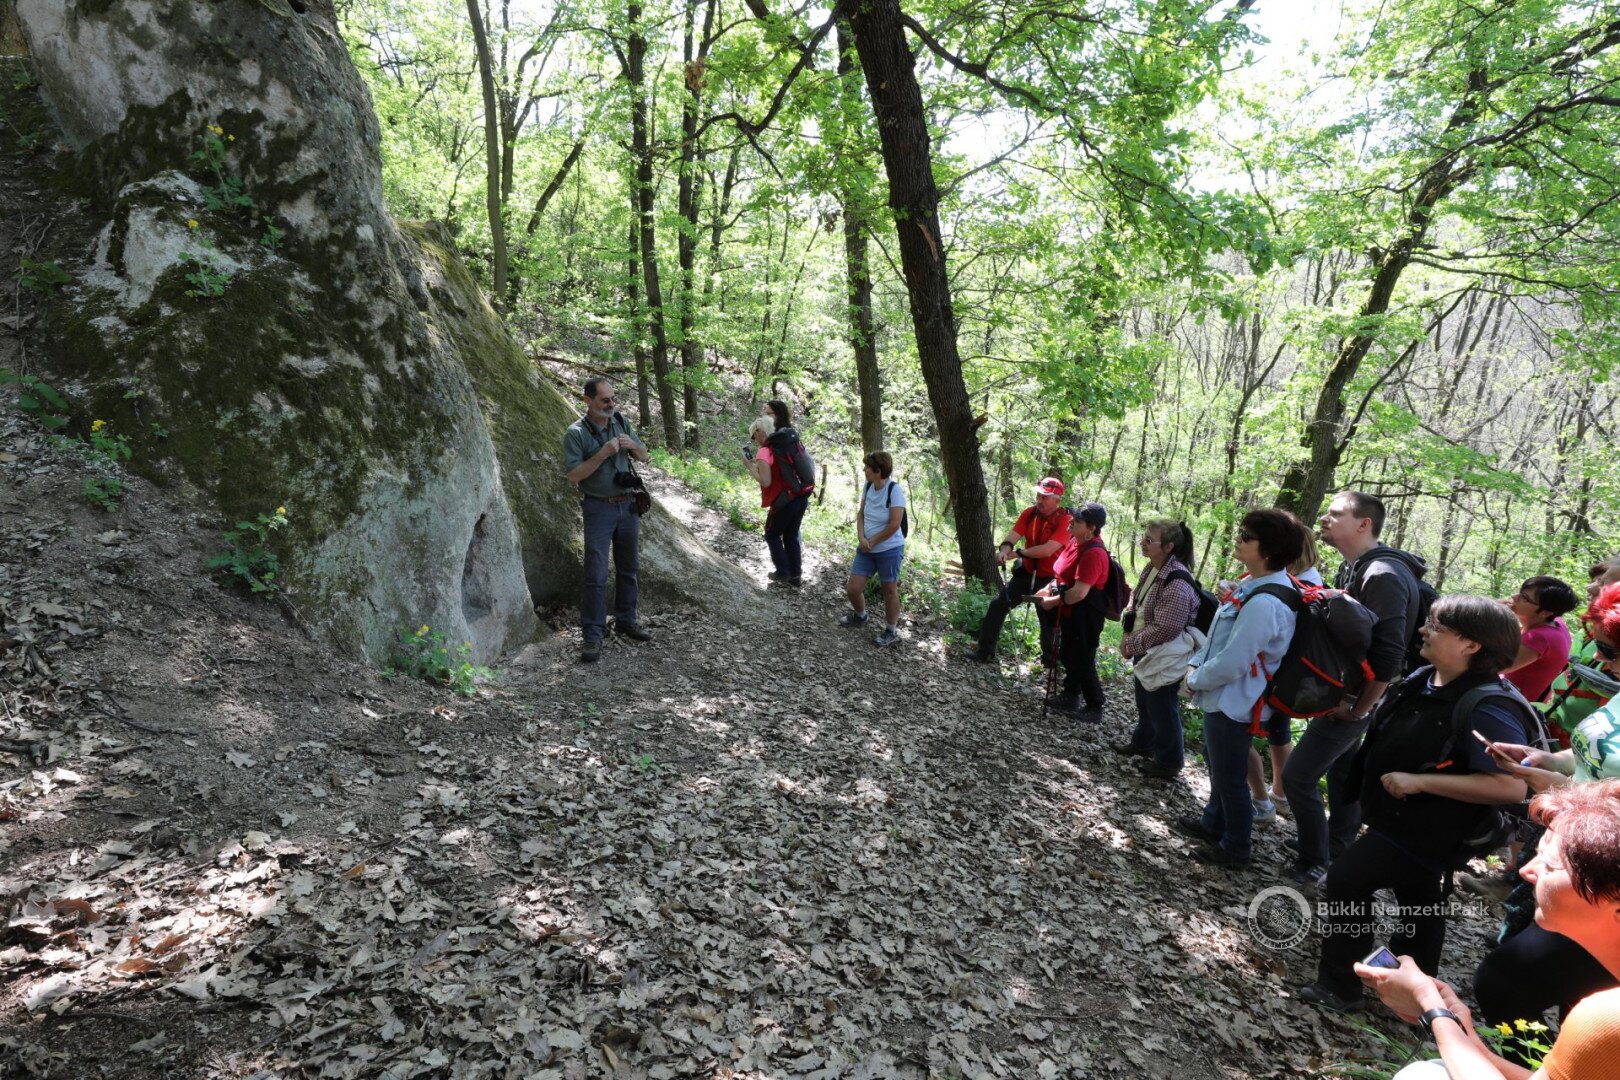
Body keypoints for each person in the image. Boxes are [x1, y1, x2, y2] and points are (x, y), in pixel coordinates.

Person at [1298, 596, 1530, 1012]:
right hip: (1398, 819)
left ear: (1471, 645)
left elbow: (1511, 787)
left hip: (1432, 829)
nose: (1424, 630)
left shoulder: (1489, 706)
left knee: (1347, 879)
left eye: (1437, 626)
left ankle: (1340, 986)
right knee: (1419, 898)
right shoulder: (1427, 677)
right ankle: (1414, 991)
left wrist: (1421, 781)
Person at [1354, 779, 1620, 1080]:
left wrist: (1431, 1005)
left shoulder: (1606, 1017)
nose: (1526, 871)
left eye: (1549, 865)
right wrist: (1456, 1024)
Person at [1467, 582, 1620, 1033]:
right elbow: (1598, 749)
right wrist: (1545, 759)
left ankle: (1533, 1063)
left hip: (1605, 880)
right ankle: (1554, 1059)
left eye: (1610, 651)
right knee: (1580, 1000)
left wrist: (1559, 789)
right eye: (1599, 647)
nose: (1603, 663)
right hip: (1567, 854)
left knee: (1503, 983)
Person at [1282, 491, 1425, 887]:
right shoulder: (1359, 567)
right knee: (1345, 773)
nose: (1324, 519)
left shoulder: (1382, 575)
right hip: (1353, 695)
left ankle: (1314, 860)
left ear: (1364, 524)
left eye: (1336, 514)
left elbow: (1390, 653)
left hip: (1358, 700)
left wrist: (1359, 708)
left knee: (1298, 777)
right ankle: (1335, 847)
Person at [1174, 509, 1303, 867]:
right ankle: (1213, 823)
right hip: (1230, 697)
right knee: (1219, 766)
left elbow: (1234, 661)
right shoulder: (1256, 585)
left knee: (1230, 777)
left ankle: (1235, 846)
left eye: (1246, 536)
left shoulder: (1266, 603)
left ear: (1268, 550)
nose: (1238, 539)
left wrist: (1194, 678)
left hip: (1235, 702)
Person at [562, 377, 653, 663]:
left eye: (613, 398)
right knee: (596, 574)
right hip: (598, 508)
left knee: (629, 568)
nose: (611, 404)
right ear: (588, 401)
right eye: (605, 400)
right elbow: (573, 475)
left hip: (628, 505)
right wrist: (602, 454)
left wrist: (632, 445)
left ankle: (627, 620)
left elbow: (645, 456)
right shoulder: (576, 433)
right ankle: (592, 634)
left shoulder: (620, 421)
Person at [1252, 517, 1323, 823]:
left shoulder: (1303, 585)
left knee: (1248, 733)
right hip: (1285, 673)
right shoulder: (1308, 580)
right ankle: (1279, 795)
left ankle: (1265, 799)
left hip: (1279, 673)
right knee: (1278, 733)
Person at [1115, 518, 1199, 778]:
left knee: (1162, 706)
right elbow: (1137, 601)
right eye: (1144, 537)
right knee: (1145, 701)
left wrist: (1131, 644)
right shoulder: (1153, 568)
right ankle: (1143, 743)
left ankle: (1169, 762)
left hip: (1166, 654)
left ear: (1168, 546)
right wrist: (1129, 632)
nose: (1142, 543)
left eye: (1149, 540)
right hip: (1146, 647)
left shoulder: (1177, 582)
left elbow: (1166, 628)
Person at [971, 478, 1072, 664]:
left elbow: (1047, 550)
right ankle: (984, 651)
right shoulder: (1029, 513)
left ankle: (1051, 663)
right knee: (999, 605)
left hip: (1052, 579)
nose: (1039, 500)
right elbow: (1012, 537)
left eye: (1045, 497)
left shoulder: (1066, 520)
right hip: (1027, 572)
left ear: (1057, 500)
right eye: (1039, 495)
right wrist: (1004, 550)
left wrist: (1018, 553)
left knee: (1049, 621)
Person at [1034, 502, 1112, 722]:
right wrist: (1049, 588)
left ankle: (1095, 706)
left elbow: (1079, 592)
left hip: (1086, 613)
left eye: (1077, 521)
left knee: (1083, 657)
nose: (1070, 522)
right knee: (1068, 652)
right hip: (1071, 609)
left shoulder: (1094, 553)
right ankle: (1070, 694)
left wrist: (1051, 602)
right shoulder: (1074, 542)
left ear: (1091, 528)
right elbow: (1062, 574)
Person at [839, 451, 906, 647]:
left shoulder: (894, 490)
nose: (865, 470)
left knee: (889, 591)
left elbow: (895, 524)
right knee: (853, 588)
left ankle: (891, 631)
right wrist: (861, 537)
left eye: (868, 467)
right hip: (866, 548)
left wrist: (873, 541)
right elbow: (861, 514)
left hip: (889, 549)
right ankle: (861, 616)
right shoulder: (868, 486)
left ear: (878, 470)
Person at [746, 415, 807, 587]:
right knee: (790, 535)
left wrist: (750, 468)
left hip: (784, 500)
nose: (754, 440)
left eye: (753, 436)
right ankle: (795, 576)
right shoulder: (781, 445)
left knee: (771, 534)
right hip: (800, 495)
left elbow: (766, 481)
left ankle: (783, 571)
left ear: (759, 432)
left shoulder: (764, 451)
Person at [1501, 576, 1578, 703]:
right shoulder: (1556, 622)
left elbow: (1492, 667)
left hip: (1510, 701)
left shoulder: (1539, 637)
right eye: (1520, 592)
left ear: (1545, 612)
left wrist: (1492, 613)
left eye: (1524, 597)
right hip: (1518, 694)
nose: (1514, 596)